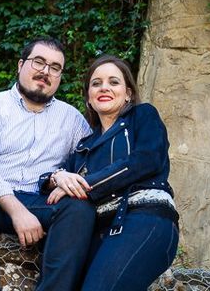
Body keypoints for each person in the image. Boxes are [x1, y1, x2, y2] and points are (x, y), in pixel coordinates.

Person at [0, 37, 96, 291]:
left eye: (55, 67)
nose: (45, 71)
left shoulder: (72, 120)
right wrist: (17, 211)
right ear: (20, 65)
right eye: (39, 62)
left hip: (39, 202)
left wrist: (61, 177)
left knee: (79, 209)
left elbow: (89, 163)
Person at [43, 54, 179, 291]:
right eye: (96, 83)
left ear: (128, 93)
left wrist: (84, 184)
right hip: (99, 231)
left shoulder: (143, 116)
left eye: (113, 82)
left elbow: (147, 160)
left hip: (145, 219)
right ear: (89, 97)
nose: (104, 87)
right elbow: (52, 184)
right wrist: (57, 177)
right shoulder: (83, 145)